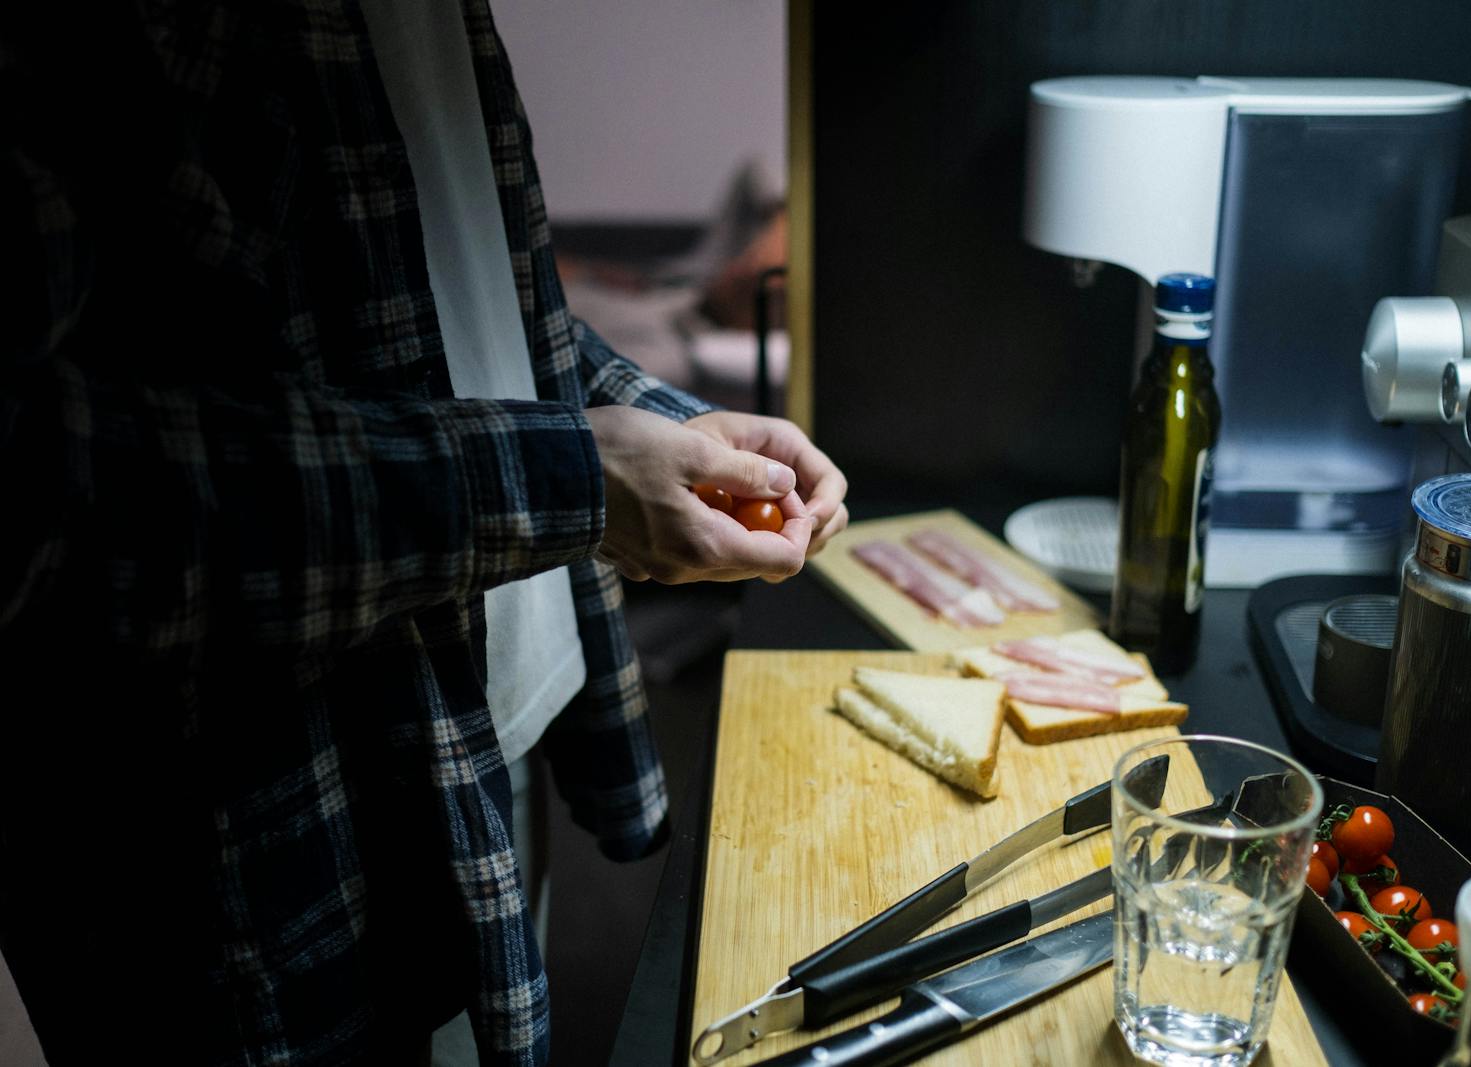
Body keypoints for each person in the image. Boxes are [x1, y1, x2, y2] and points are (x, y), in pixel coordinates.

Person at [0, 2, 846, 1065]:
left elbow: (448, 287)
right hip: (261, 837)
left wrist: (670, 429)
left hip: (482, 720)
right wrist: (568, 477)